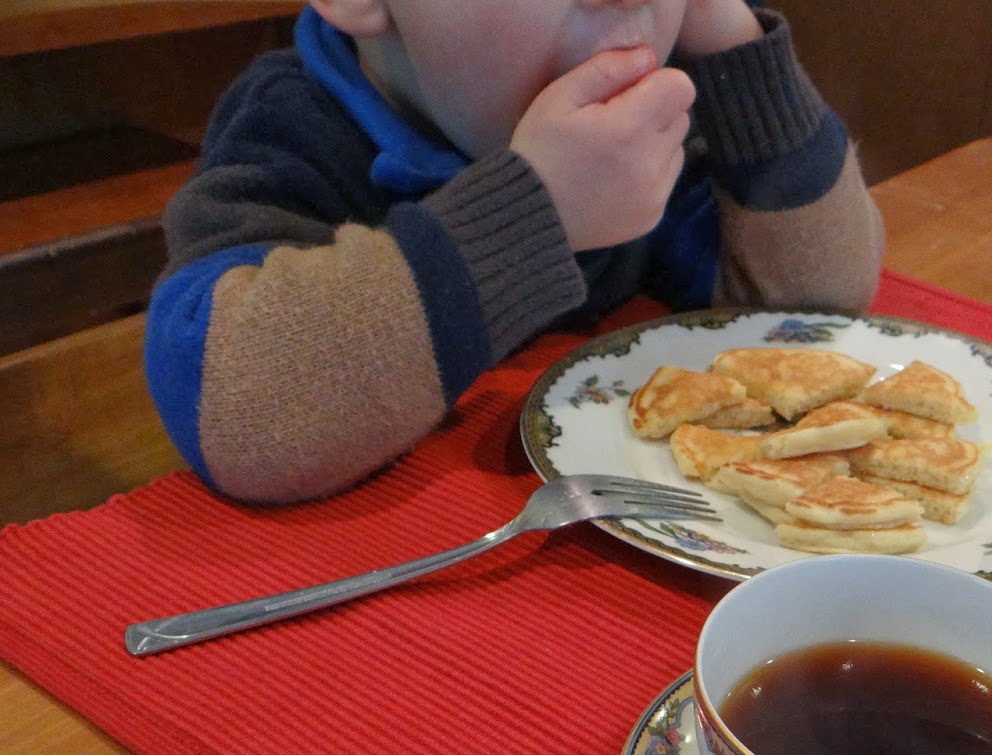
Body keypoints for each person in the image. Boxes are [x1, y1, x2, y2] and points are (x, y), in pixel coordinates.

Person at [144, 0, 885, 504]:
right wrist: (538, 216)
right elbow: (233, 414)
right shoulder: (293, 128)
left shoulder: (655, 119)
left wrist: (733, 44)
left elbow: (812, 304)